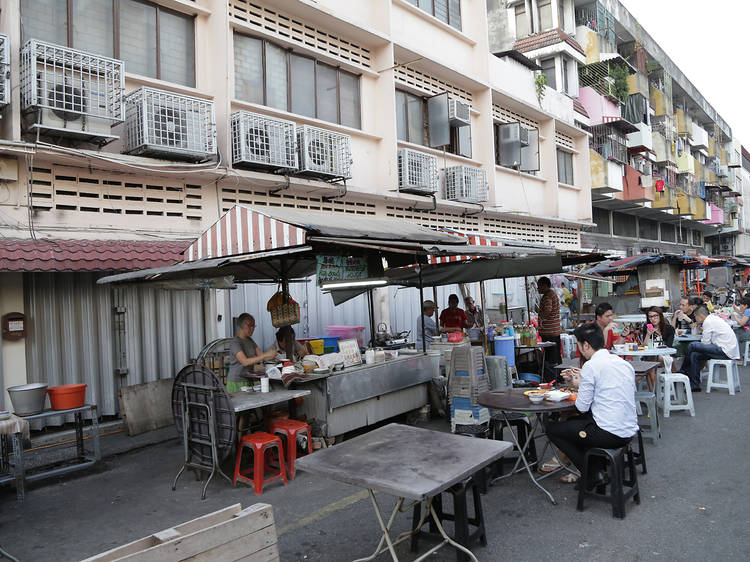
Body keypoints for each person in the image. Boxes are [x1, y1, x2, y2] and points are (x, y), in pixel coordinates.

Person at [547, 323, 638, 485]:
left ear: (586, 345)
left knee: (553, 429)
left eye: (579, 345)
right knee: (574, 425)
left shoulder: (591, 366)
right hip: (629, 430)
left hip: (610, 434)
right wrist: (579, 383)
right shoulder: (623, 363)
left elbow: (582, 407)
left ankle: (591, 472)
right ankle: (595, 467)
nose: (579, 349)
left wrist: (577, 384)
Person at [680, 305, 740, 391]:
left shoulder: (708, 322)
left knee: (692, 346)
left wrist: (701, 331)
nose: (696, 319)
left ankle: (683, 370)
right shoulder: (713, 318)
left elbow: (705, 343)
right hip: (728, 349)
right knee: (694, 355)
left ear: (700, 316)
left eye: (695, 317)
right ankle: (695, 385)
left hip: (724, 350)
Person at [227, 313, 276, 393]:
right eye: (250, 326)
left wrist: (273, 354)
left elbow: (262, 355)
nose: (252, 328)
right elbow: (245, 362)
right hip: (236, 382)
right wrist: (265, 355)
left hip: (248, 379)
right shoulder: (235, 342)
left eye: (254, 326)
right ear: (242, 326)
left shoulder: (250, 341)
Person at [537, 276, 562, 381]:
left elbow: (548, 310)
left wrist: (541, 318)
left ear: (545, 285)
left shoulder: (547, 296)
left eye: (539, 286)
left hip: (549, 332)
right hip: (554, 330)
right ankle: (559, 377)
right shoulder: (553, 294)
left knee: (550, 358)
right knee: (556, 356)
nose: (538, 289)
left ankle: (552, 379)